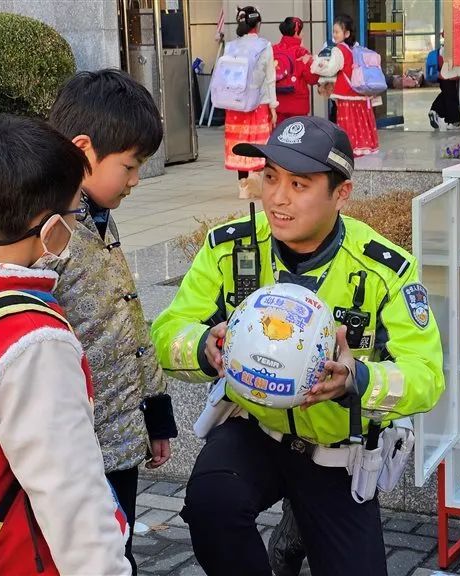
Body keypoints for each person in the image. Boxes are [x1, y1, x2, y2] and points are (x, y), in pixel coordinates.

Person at [151, 116, 444, 576]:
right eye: (270, 178)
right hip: (253, 429)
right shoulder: (230, 248)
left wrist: (358, 379)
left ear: (341, 193)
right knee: (213, 506)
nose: (277, 197)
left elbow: (426, 377)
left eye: (299, 184)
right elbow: (167, 333)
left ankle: (298, 530)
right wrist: (206, 345)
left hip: (335, 451)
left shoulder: (386, 270)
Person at [0, 69, 175, 575]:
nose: (136, 179)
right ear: (83, 152)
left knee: (115, 534)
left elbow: (127, 317)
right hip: (66, 446)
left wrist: (155, 412)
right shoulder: (32, 234)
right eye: (130, 165)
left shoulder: (94, 213)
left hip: (118, 433)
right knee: (78, 543)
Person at [0, 114, 131, 575]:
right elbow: (72, 497)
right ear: (50, 231)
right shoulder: (35, 343)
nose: (76, 223)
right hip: (17, 556)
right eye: (73, 213)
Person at [223, 5, 277, 200]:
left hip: (235, 104)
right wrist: (273, 106)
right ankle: (257, 183)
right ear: (258, 24)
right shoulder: (264, 46)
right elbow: (270, 78)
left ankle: (243, 185)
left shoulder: (231, 46)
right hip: (258, 103)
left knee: (240, 143)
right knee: (258, 143)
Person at [310, 14, 379, 156]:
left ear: (346, 33)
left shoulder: (338, 49)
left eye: (337, 32)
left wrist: (315, 63)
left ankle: (350, 149)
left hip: (346, 94)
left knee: (348, 124)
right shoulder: (354, 48)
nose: (334, 35)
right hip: (358, 93)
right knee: (359, 122)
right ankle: (363, 147)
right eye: (333, 31)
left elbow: (330, 69)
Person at [272, 16, 319, 125]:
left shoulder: (273, 49)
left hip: (277, 101)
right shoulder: (301, 52)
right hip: (298, 105)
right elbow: (312, 79)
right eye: (302, 31)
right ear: (297, 31)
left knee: (279, 136)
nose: (303, 35)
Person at [428, 36, 460, 131]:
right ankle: (454, 120)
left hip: (442, 75)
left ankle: (435, 110)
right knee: (451, 96)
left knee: (446, 94)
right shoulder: (453, 48)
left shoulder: (443, 49)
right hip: (450, 75)